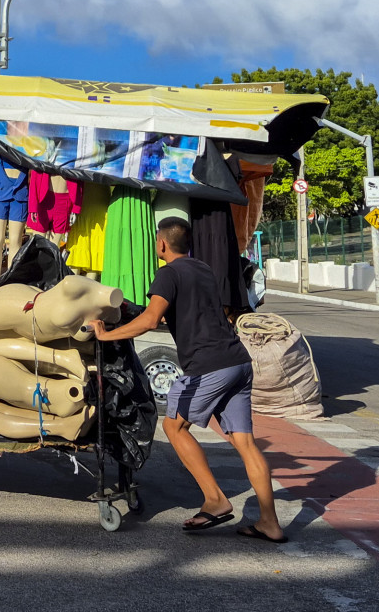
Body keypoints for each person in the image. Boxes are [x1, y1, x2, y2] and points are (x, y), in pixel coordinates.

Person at [88, 216, 285, 541]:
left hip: (209, 366)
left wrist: (106, 335)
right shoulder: (203, 270)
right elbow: (178, 311)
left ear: (161, 243)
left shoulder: (167, 274)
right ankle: (270, 523)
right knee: (246, 444)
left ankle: (215, 500)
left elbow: (151, 321)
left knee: (173, 427)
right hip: (239, 361)